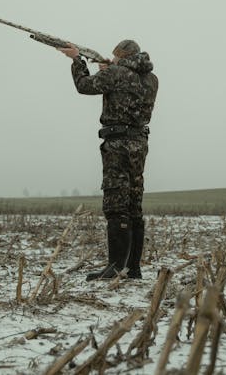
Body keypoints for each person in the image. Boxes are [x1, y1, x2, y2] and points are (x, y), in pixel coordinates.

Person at [58, 39, 158, 280]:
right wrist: (109, 68)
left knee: (115, 204)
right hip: (139, 143)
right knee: (133, 204)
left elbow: (84, 85)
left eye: (115, 56)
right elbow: (126, 84)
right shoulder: (151, 79)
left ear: (122, 56)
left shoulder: (116, 73)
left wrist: (76, 60)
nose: (112, 60)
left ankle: (115, 268)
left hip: (118, 144)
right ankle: (132, 268)